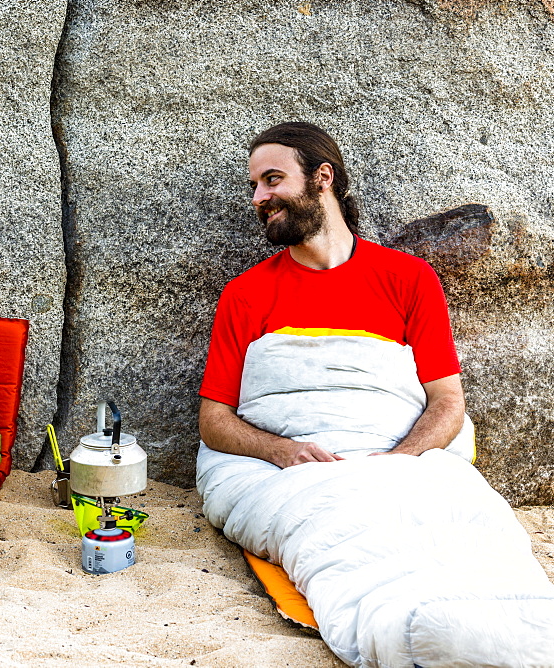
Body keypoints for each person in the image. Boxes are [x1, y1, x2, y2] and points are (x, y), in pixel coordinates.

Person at [198, 122, 467, 467]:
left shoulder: (409, 278)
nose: (257, 198)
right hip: (287, 472)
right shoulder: (246, 293)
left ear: (322, 177)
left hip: (389, 463)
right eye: (254, 185)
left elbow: (447, 400)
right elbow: (214, 419)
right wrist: (282, 451)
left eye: (273, 179)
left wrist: (395, 464)